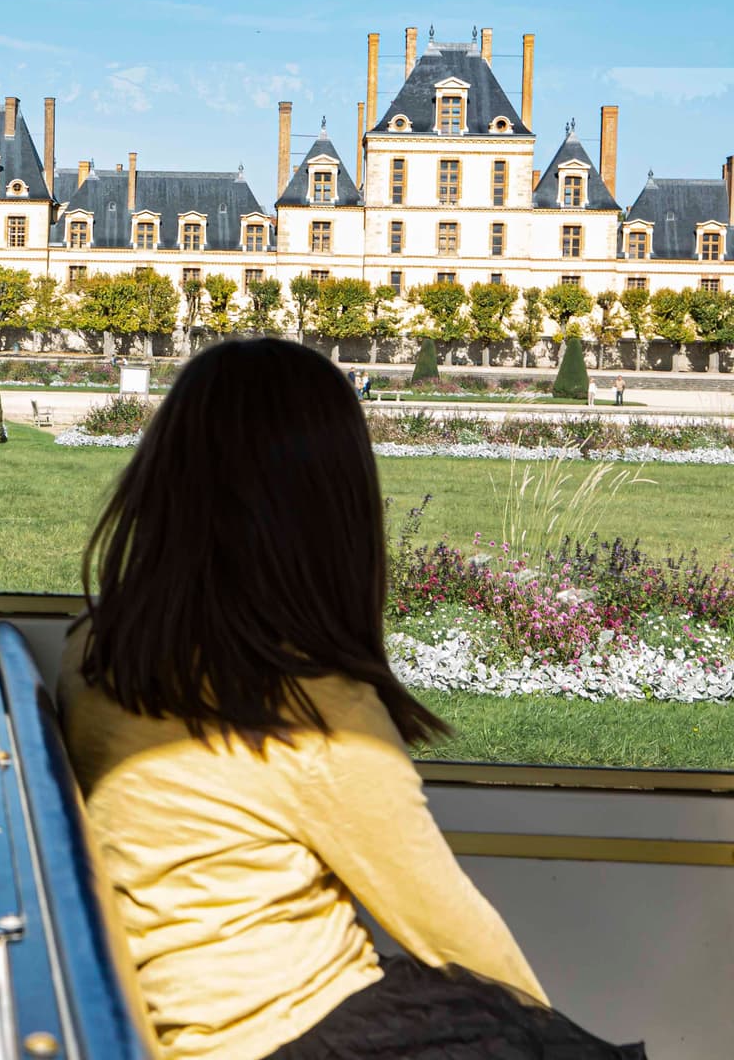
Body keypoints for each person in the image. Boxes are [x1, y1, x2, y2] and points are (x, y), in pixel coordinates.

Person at [60, 339, 642, 1060]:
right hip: (295, 1029)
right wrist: (551, 1039)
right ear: (333, 507)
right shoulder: (309, 711)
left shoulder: (96, 647)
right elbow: (450, 927)